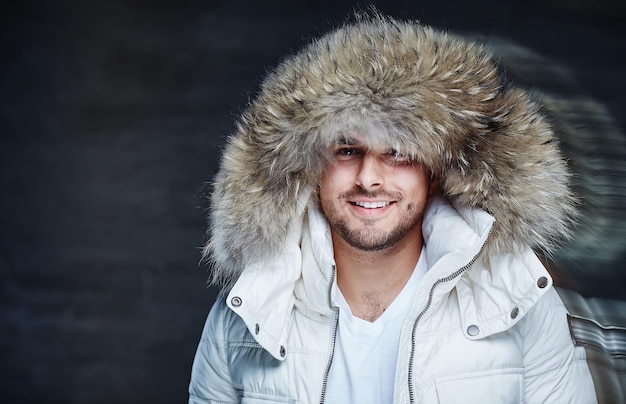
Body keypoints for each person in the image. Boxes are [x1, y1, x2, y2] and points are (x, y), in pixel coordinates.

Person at [188, 13, 597, 403]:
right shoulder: (249, 312)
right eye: (347, 150)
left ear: (435, 172)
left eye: (397, 153)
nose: (369, 178)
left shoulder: (517, 302)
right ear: (309, 168)